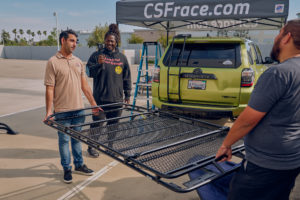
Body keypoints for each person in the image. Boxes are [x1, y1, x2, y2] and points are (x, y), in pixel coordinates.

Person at [215, 19, 300, 200]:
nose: (277, 37)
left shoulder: (279, 73)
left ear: (287, 38)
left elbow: (247, 120)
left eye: (280, 32)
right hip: (292, 159)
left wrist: (226, 144)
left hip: (266, 164)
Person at [44, 29, 102, 184]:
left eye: (76, 41)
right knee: (64, 141)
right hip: (62, 111)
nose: (75, 44)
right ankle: (67, 169)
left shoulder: (78, 61)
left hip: (79, 109)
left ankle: (79, 164)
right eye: (71, 41)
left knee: (77, 139)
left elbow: (85, 86)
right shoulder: (53, 62)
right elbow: (49, 88)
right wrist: (49, 111)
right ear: (63, 40)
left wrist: (93, 104)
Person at [86, 24, 132, 157]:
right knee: (97, 126)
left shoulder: (122, 58)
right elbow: (89, 72)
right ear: (104, 41)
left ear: (116, 42)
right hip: (100, 100)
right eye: (107, 40)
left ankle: (110, 147)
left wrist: (127, 94)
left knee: (113, 126)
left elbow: (126, 77)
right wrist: (98, 65)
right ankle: (92, 147)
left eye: (112, 41)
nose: (109, 43)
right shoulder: (97, 55)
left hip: (116, 100)